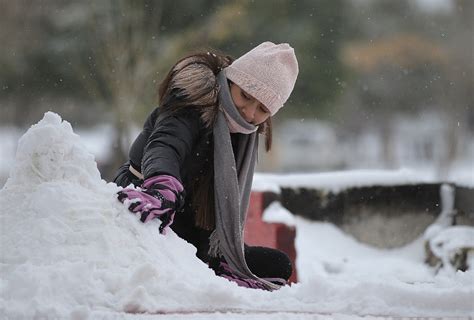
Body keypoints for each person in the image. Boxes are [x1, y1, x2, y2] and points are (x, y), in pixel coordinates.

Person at [114, 42, 299, 291]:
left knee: (278, 265)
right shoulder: (192, 103)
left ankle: (219, 268)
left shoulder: (243, 135)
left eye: (263, 109)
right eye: (245, 95)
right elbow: (166, 144)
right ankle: (206, 272)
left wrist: (226, 252)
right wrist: (162, 183)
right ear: (232, 81)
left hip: (196, 225)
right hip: (151, 199)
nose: (248, 112)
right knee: (175, 255)